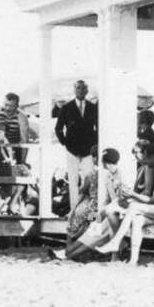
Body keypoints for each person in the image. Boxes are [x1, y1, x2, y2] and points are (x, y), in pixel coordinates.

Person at [99, 138, 154, 266]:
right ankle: (133, 261)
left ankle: (116, 242)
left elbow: (153, 199)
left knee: (134, 207)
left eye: (146, 159)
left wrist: (132, 194)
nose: (145, 163)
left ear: (152, 156)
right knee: (137, 219)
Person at [53, 146, 122, 261]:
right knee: (90, 228)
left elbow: (113, 200)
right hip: (102, 211)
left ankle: (67, 253)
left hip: (106, 213)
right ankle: (67, 253)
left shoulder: (105, 175)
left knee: (89, 229)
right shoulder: (108, 174)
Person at [55, 79, 98, 212]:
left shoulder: (93, 107)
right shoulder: (66, 108)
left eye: (83, 88)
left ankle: (88, 210)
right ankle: (74, 210)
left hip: (88, 149)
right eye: (78, 88)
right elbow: (58, 128)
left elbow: (99, 127)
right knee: (72, 180)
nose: (81, 91)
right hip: (72, 149)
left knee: (89, 179)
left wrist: (96, 144)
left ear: (87, 90)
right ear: (74, 90)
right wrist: (65, 142)